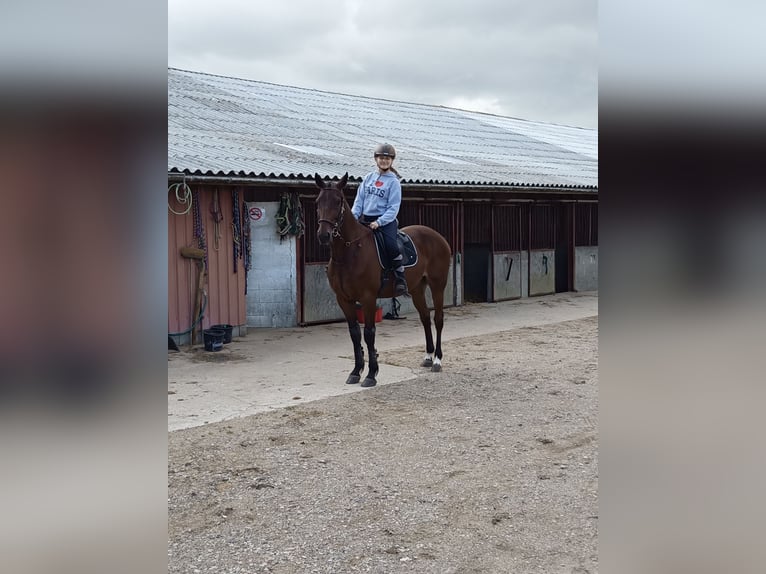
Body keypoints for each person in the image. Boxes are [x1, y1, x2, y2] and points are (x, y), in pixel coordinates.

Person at [351, 143, 408, 296]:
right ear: (376, 159)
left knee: (391, 246)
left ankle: (400, 278)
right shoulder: (368, 178)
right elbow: (359, 201)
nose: (384, 161)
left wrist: (379, 222)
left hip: (385, 221)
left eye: (387, 159)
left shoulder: (394, 182)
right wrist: (353, 218)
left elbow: (393, 208)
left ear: (392, 161)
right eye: (381, 158)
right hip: (365, 219)